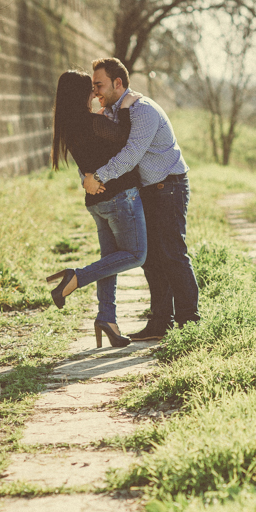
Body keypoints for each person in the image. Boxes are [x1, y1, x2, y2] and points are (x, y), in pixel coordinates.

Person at [84, 57, 199, 341]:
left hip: (169, 186)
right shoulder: (117, 110)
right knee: (151, 259)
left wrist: (99, 177)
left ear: (118, 83)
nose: (96, 90)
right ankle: (161, 323)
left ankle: (190, 322)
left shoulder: (143, 110)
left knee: (172, 253)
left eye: (99, 85)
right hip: (147, 189)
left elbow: (132, 153)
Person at [47, 70, 145, 348]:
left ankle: (107, 318)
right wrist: (125, 108)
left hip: (98, 202)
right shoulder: (91, 123)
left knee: (110, 260)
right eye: (90, 89)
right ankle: (76, 277)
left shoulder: (69, 126)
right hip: (118, 198)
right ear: (81, 94)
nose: (95, 93)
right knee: (136, 254)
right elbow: (127, 138)